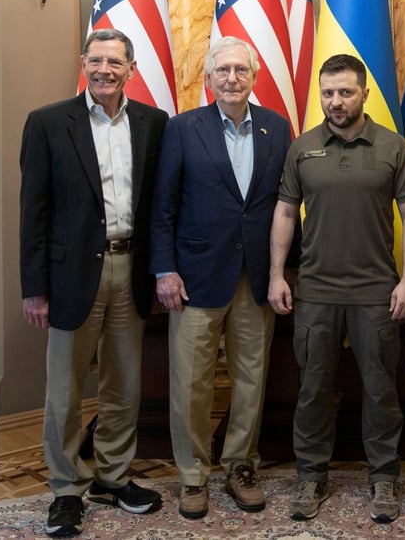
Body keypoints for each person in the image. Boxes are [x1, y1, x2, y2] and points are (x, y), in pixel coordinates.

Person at [19, 28, 169, 537]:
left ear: (132, 68)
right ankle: (66, 487)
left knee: (124, 383)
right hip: (69, 275)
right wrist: (33, 287)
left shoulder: (154, 123)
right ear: (84, 62)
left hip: (132, 268)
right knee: (65, 387)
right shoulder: (47, 123)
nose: (105, 69)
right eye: (96, 60)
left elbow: (158, 206)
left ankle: (112, 475)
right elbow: (32, 212)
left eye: (116, 61)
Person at [267, 54, 405, 525]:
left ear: (364, 94)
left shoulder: (393, 147)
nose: (336, 101)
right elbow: (283, 213)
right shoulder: (302, 148)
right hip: (315, 292)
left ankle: (383, 476)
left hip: (377, 292)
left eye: (346, 92)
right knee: (313, 389)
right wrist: (277, 274)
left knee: (380, 391)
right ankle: (311, 474)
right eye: (328, 93)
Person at [149, 36, 291, 520]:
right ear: (209, 78)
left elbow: (283, 207)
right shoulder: (183, 129)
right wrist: (165, 269)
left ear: (254, 77)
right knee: (191, 382)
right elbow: (163, 206)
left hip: (256, 278)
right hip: (195, 277)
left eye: (241, 71)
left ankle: (241, 465)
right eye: (223, 70)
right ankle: (192, 474)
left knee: (252, 378)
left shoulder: (277, 128)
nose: (232, 79)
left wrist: (280, 272)